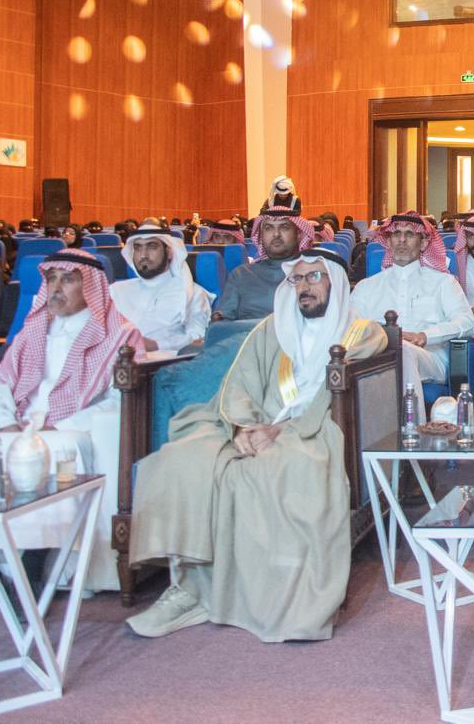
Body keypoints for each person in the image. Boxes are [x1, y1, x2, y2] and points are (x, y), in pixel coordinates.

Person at [127, 249, 388, 642]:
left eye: (315, 277)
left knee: (276, 470)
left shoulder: (361, 333)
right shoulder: (271, 328)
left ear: (335, 283)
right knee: (183, 459)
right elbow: (240, 383)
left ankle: (272, 599)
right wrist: (242, 427)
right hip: (255, 424)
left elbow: (330, 397)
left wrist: (281, 431)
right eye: (298, 279)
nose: (305, 287)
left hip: (315, 429)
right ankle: (189, 587)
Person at [0, 249, 143, 592]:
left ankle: (36, 562)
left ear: (90, 287)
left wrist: (57, 425)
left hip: (73, 429)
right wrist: (5, 421)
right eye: (52, 279)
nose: (56, 288)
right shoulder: (31, 332)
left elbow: (121, 399)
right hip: (20, 423)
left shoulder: (119, 336)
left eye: (68, 279)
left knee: (55, 447)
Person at [351, 213, 472, 401]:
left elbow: (466, 321)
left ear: (423, 243)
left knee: (403, 350)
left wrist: (423, 336)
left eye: (409, 234)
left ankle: (410, 419)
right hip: (376, 358)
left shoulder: (444, 283)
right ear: (388, 242)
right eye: (396, 234)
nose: (401, 239)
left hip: (430, 358)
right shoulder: (366, 287)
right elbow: (350, 327)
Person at [110, 227, 212, 355]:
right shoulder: (116, 290)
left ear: (169, 252)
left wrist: (156, 345)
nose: (143, 255)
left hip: (161, 360)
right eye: (137, 248)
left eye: (152, 247)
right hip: (109, 357)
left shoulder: (192, 292)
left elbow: (198, 338)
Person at [211, 205, 314, 321]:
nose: (276, 234)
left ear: (299, 234)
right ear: (260, 236)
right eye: (268, 228)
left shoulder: (315, 273)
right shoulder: (241, 275)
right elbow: (222, 322)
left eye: (284, 227)